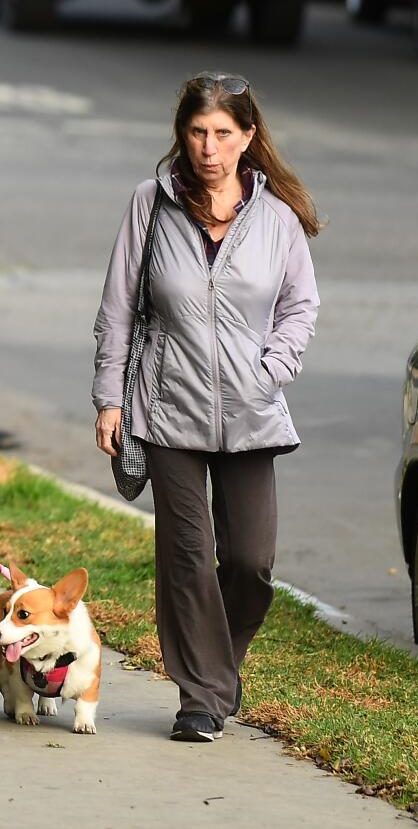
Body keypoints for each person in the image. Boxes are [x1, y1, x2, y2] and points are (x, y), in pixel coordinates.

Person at [92, 72, 321, 742]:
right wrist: (110, 399)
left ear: (248, 137)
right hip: (168, 409)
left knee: (250, 562)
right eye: (197, 132)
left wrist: (274, 364)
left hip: (252, 411)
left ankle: (219, 666)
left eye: (223, 133)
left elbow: (300, 306)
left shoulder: (276, 218)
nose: (208, 147)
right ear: (182, 134)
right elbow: (116, 309)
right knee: (187, 555)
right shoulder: (150, 204)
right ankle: (201, 695)